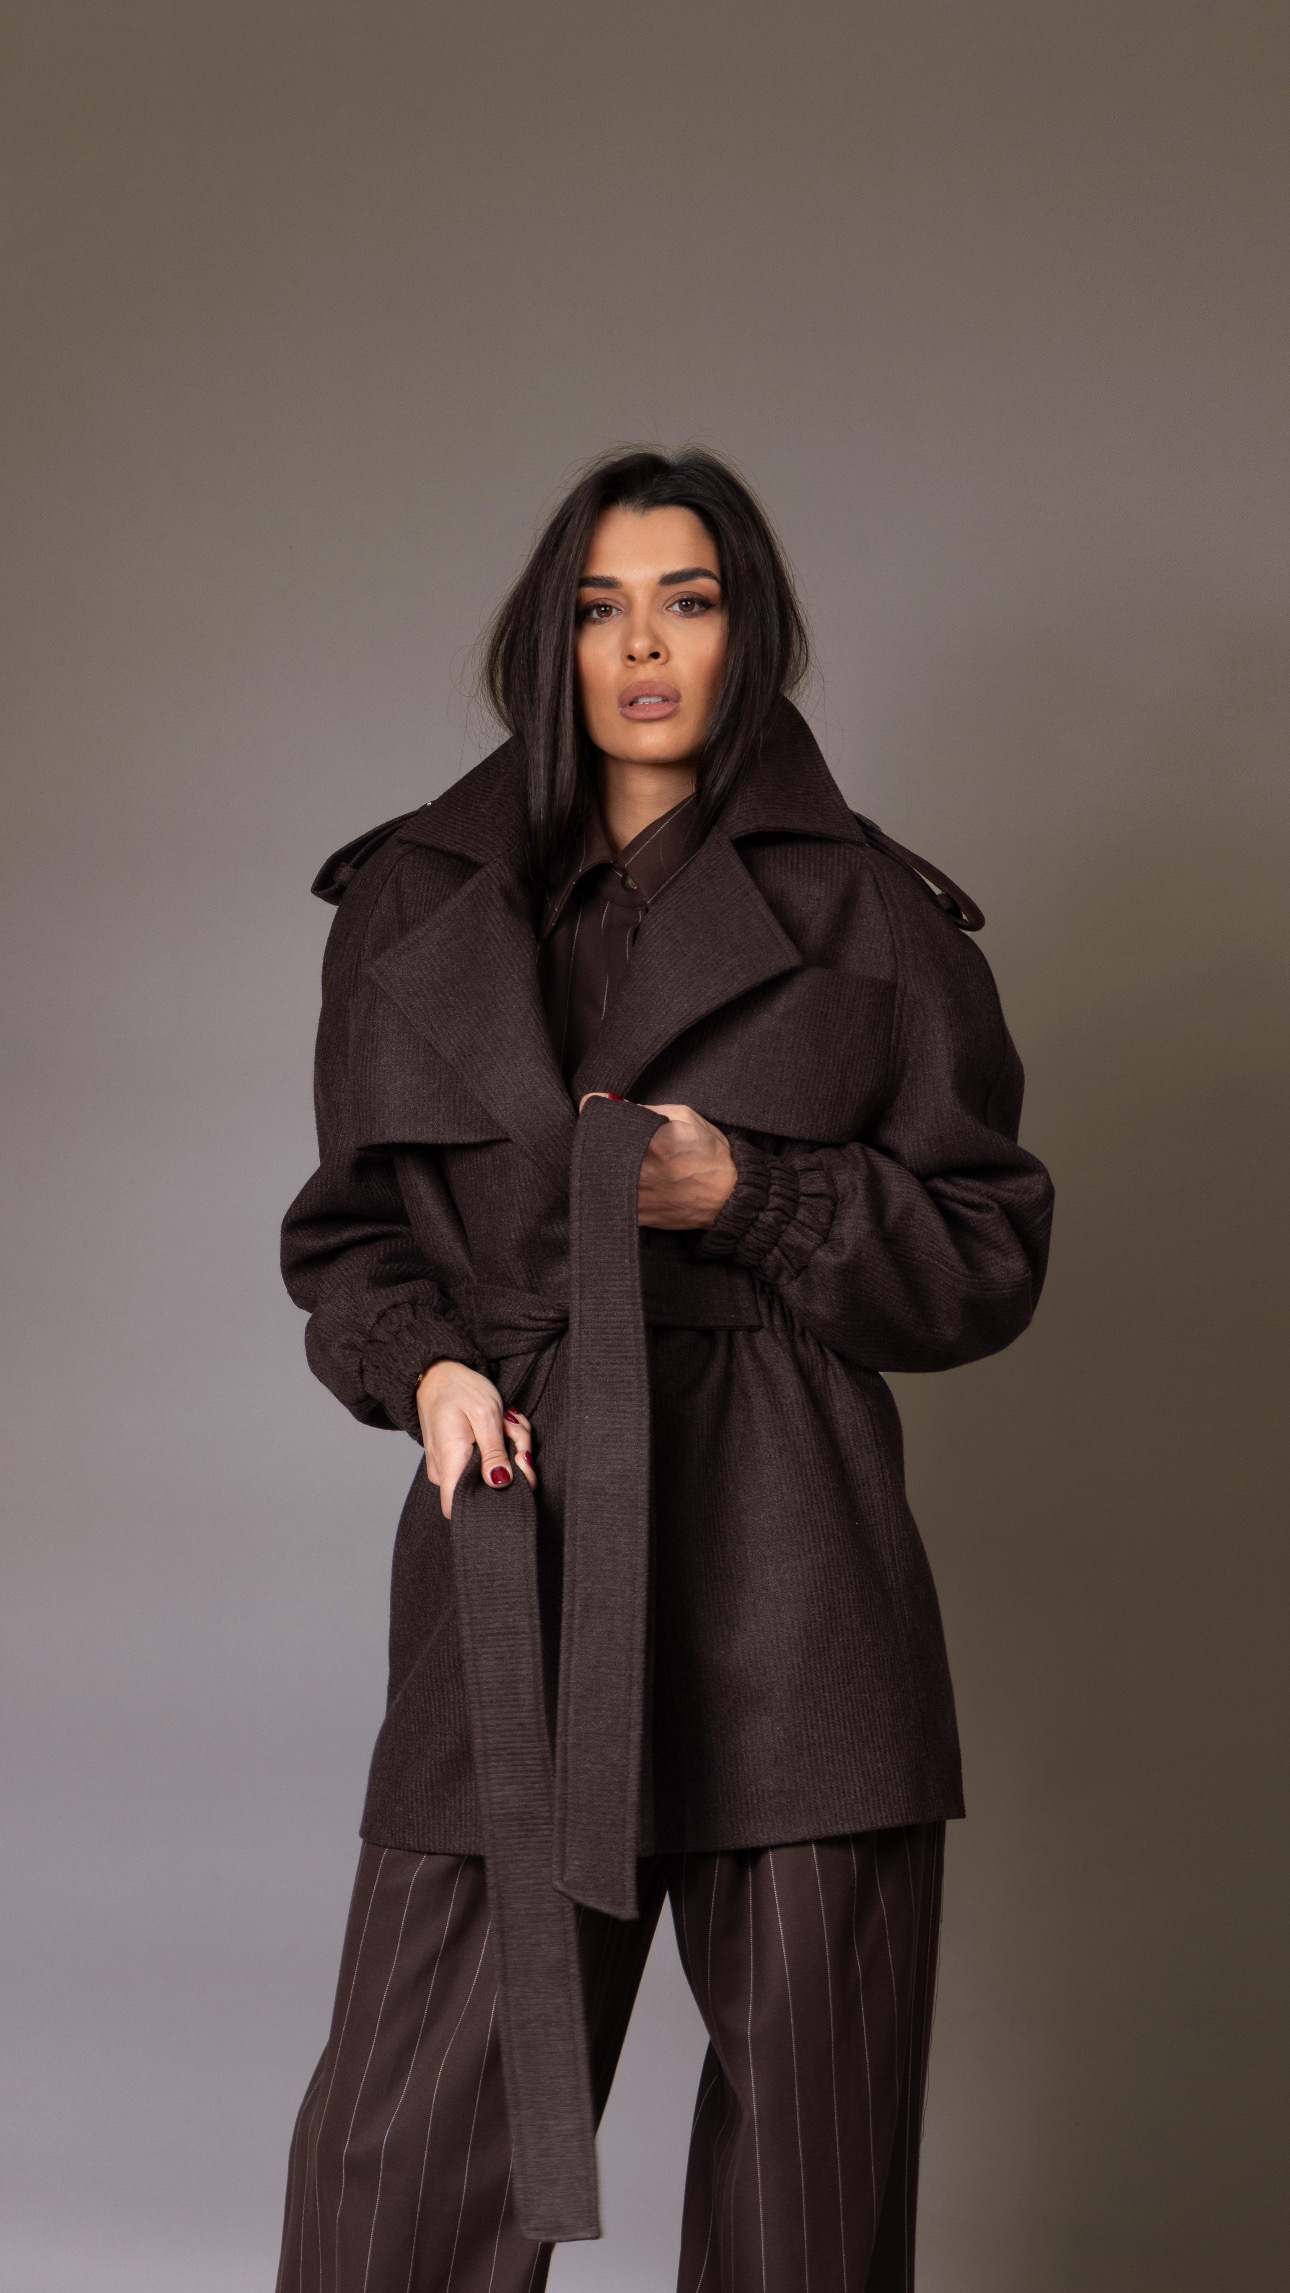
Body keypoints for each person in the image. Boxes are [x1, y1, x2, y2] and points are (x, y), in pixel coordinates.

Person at [274, 448, 1054, 2293]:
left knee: (808, 2168)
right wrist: (428, 1369)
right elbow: (349, 1235)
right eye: (598, 607)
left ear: (744, 632)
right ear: (546, 641)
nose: (641, 648)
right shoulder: (411, 900)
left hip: (793, 1552)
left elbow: (984, 1251)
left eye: (685, 603)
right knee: (403, 2151)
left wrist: (749, 1193)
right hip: (517, 1518)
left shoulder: (868, 909)